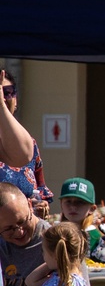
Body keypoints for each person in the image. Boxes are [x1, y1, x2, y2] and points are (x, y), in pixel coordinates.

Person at [0, 68, 51, 215]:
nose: (2, 97)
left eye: (7, 92)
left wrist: (41, 206)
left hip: (24, 232)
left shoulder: (29, 143)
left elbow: (41, 190)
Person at [59, 177, 100, 253]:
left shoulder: (95, 237)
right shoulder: (54, 234)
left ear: (92, 209)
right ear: (61, 205)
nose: (73, 206)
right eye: (68, 201)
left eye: (80, 202)